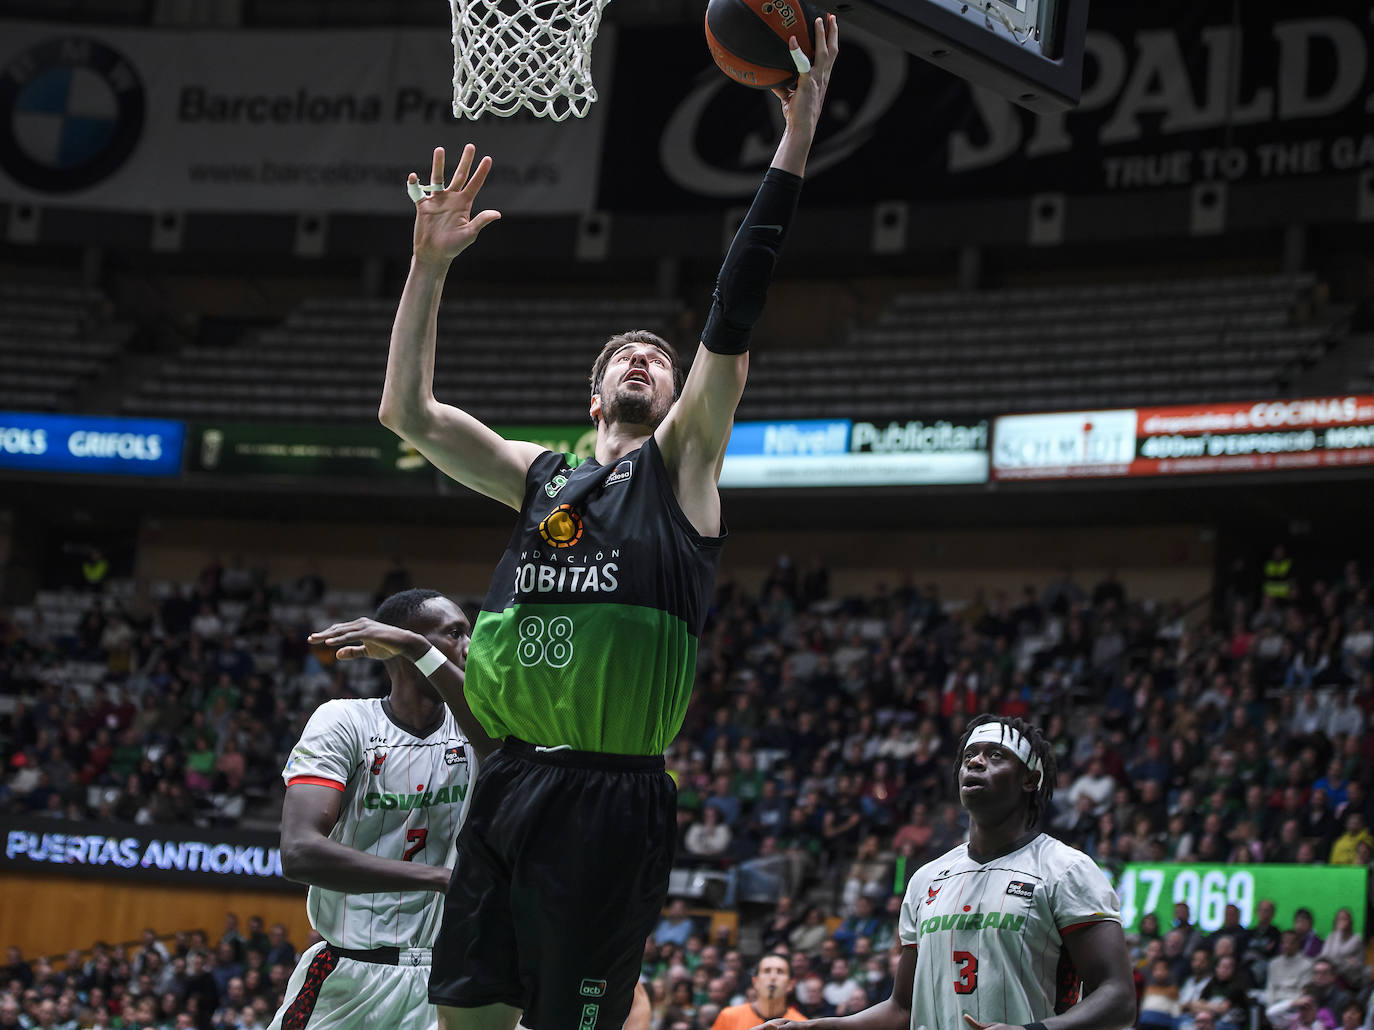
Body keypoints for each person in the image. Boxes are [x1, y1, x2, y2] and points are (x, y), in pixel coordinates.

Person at [379, 15, 841, 1030]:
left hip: (609, 799)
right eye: (621, 359)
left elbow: (734, 309)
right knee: (464, 1018)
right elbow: (406, 415)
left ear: (677, 395)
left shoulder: (683, 469)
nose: (642, 361)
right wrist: (430, 264)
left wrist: (793, 142)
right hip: (508, 785)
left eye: (657, 360)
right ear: (592, 397)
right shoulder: (537, 477)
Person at [755, 714, 1136, 1030]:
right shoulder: (926, 880)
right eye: (970, 754)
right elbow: (902, 1010)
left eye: (996, 755)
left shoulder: (1066, 869)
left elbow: (1118, 997)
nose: (975, 762)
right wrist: (815, 1027)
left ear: (1029, 779)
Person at [265, 589, 491, 1030]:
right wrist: (441, 879)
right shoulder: (344, 721)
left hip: (445, 982)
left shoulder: (477, 729)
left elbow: (501, 750)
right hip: (350, 975)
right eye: (454, 633)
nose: (470, 646)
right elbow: (299, 853)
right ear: (397, 643)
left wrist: (418, 648)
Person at [712, 956, 805, 1030]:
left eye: (780, 972)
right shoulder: (729, 1016)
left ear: (791, 984)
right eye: (767, 971)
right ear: (755, 981)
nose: (773, 977)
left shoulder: (800, 1024)